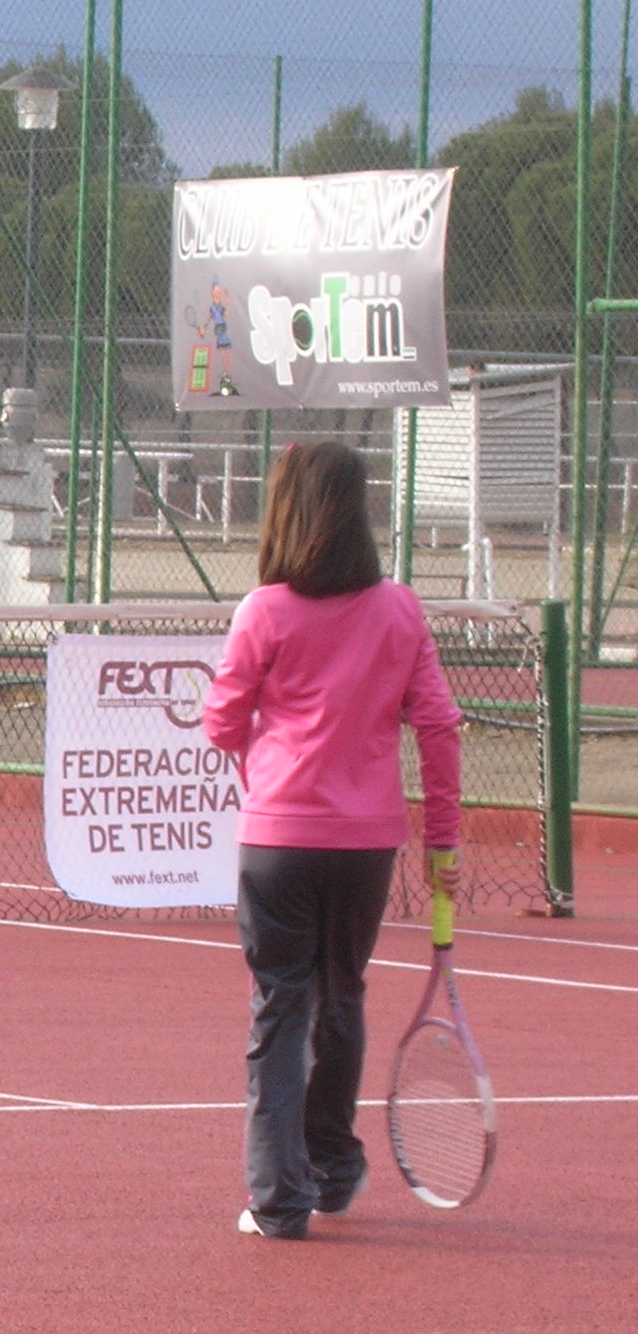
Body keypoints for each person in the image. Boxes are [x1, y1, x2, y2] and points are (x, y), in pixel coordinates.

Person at [202, 440, 462, 1239]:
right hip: (365, 846)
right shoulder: (400, 609)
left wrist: (265, 768)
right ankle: (332, 1172)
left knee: (281, 1010)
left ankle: (280, 1199)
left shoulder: (266, 610)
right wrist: (443, 843)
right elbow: (439, 726)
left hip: (279, 841)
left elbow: (221, 721)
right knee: (341, 999)